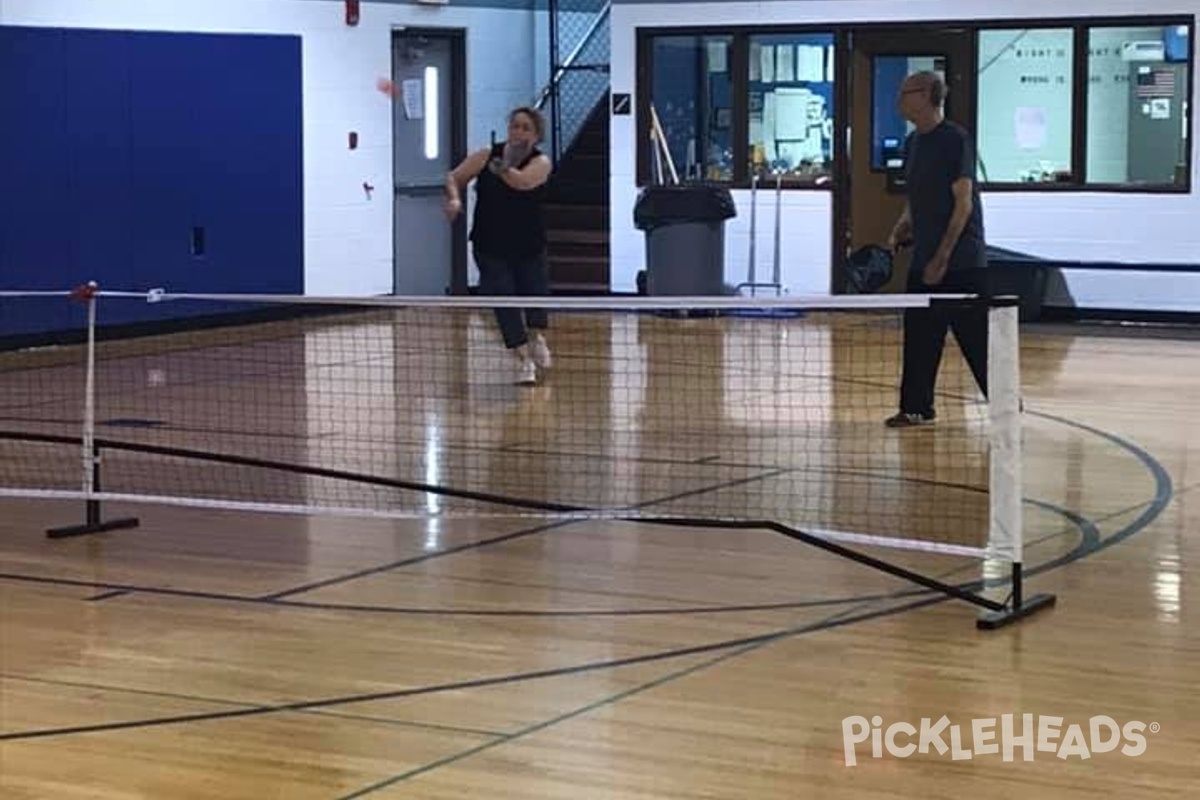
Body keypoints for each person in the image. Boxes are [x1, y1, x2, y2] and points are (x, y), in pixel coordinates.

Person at [884, 70, 990, 428]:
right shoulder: (913, 143)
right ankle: (916, 407)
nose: (899, 98)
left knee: (976, 341)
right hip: (923, 258)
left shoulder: (955, 140)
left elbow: (963, 204)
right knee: (919, 337)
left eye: (905, 91)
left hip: (961, 262)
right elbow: (917, 196)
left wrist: (943, 257)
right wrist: (903, 223)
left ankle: (1006, 403)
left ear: (927, 95)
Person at [444, 107, 554, 386]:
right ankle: (522, 360)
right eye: (514, 126)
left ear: (536, 135)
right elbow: (454, 177)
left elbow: (522, 183)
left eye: (525, 128)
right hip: (489, 243)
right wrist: (455, 199)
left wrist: (503, 167)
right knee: (502, 299)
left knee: (535, 296)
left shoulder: (541, 163)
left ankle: (537, 337)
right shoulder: (486, 155)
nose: (518, 132)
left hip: (528, 244)